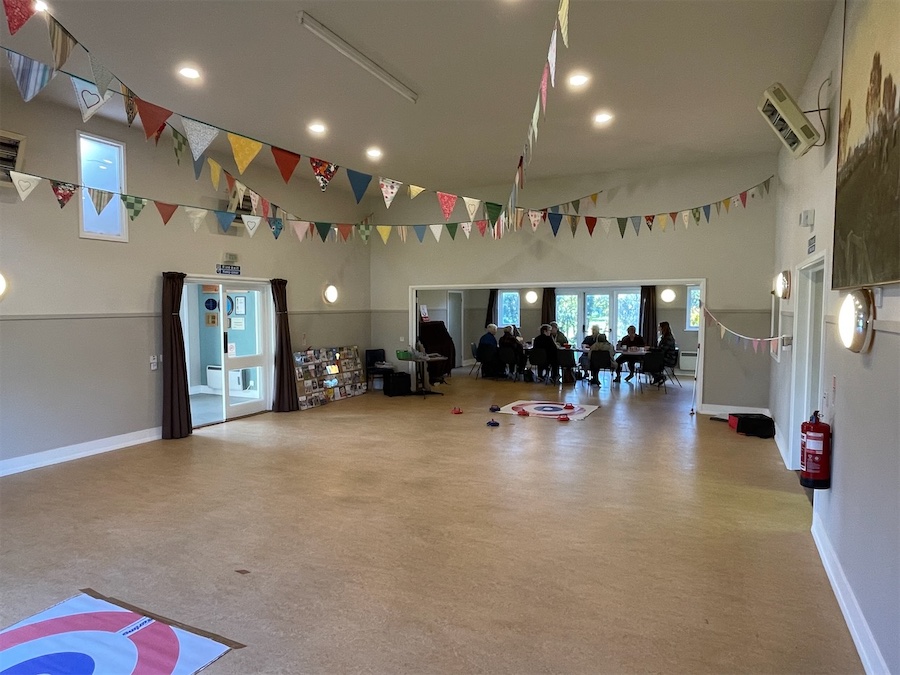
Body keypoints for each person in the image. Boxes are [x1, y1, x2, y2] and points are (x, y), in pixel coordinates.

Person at [647, 321, 678, 386]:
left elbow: (662, 350)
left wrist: (650, 349)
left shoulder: (667, 338)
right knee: (649, 361)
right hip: (666, 357)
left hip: (668, 359)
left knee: (649, 362)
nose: (658, 329)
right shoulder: (665, 337)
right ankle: (657, 377)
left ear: (663, 328)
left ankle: (659, 377)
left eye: (659, 328)